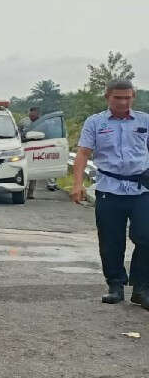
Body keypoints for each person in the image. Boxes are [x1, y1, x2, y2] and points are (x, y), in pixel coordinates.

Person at [72, 79, 149, 308]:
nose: (123, 102)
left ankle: (141, 287)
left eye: (127, 97)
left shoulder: (145, 120)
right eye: (118, 97)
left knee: (146, 236)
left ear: (133, 97)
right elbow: (83, 153)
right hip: (109, 189)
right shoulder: (95, 122)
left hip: (141, 188)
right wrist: (77, 185)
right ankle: (115, 285)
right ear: (108, 97)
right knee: (111, 241)